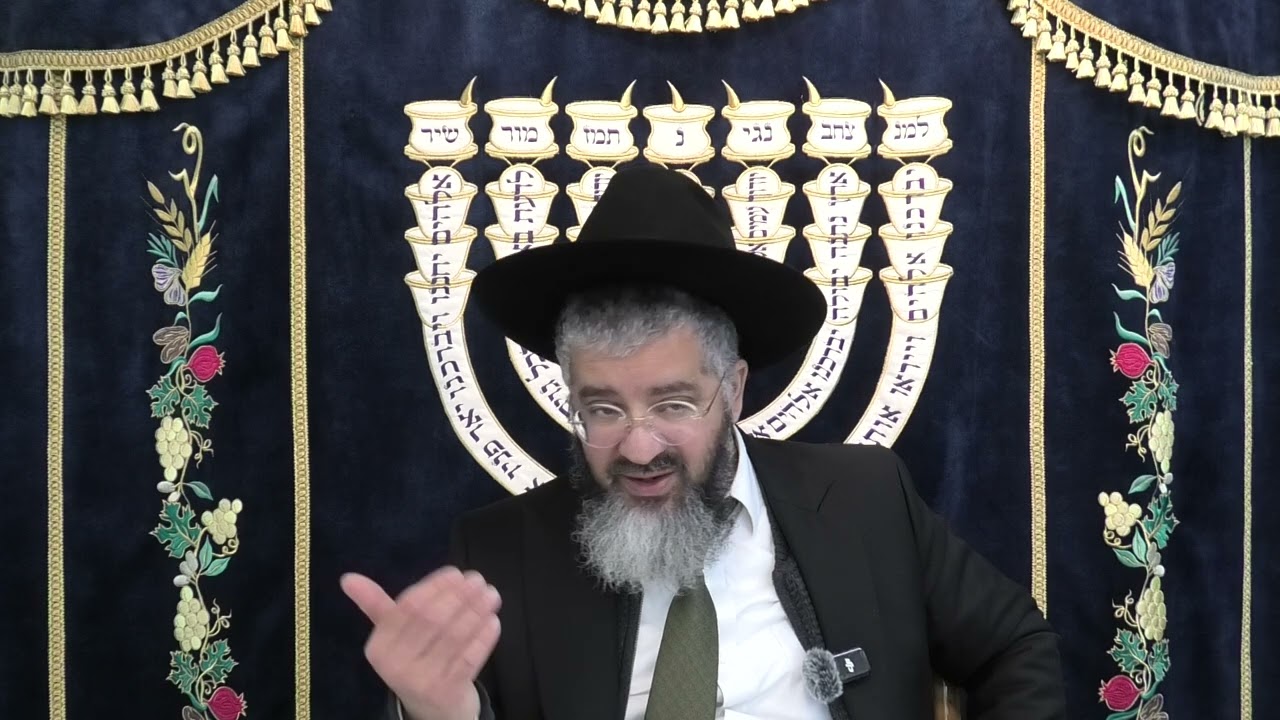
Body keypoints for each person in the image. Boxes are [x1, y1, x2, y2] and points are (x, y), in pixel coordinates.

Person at [341, 165, 1067, 720]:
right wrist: (440, 715)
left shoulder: (867, 499)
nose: (638, 448)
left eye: (673, 403)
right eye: (602, 409)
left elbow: (1015, 647)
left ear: (736, 388)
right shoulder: (501, 552)